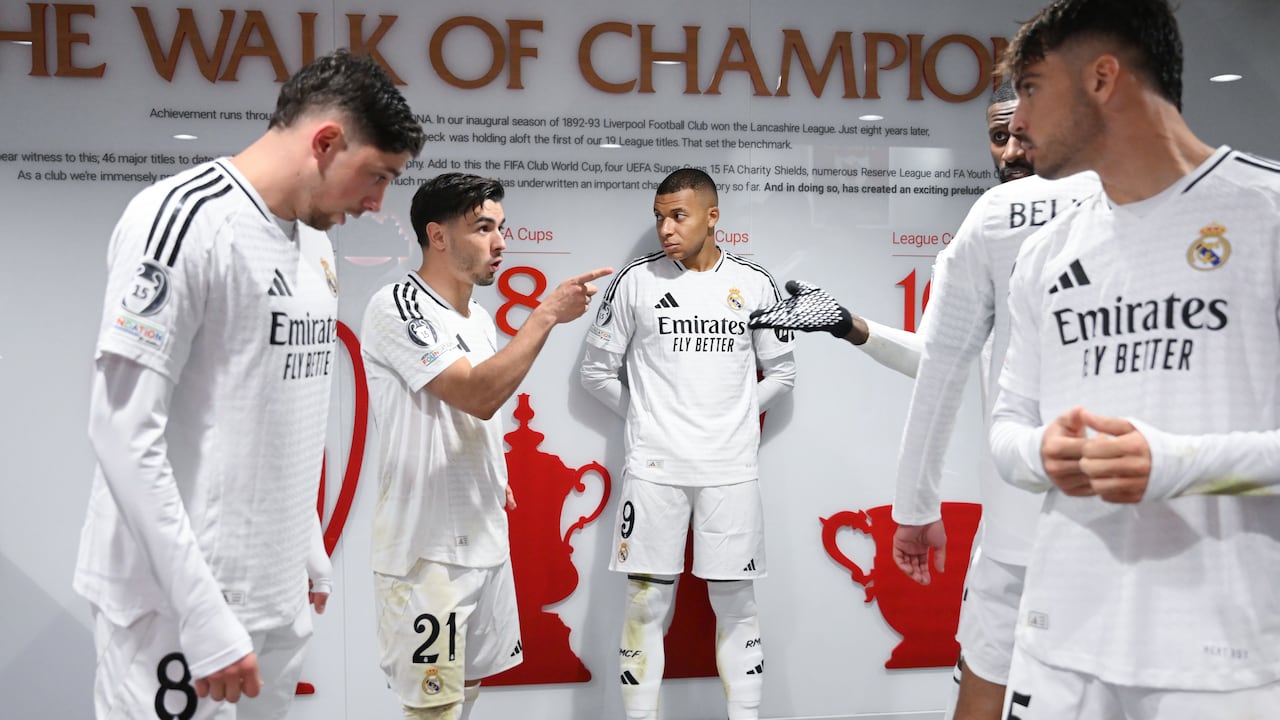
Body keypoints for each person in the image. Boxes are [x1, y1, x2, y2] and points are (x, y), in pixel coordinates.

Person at [74, 49, 424, 719]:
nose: (379, 203)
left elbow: (278, 404)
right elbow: (119, 430)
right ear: (325, 142)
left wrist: (307, 542)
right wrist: (198, 609)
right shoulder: (181, 220)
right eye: (375, 176)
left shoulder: (315, 243)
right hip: (173, 609)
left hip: (273, 595)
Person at [748, 80, 1099, 720]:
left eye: (1026, 131)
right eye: (1000, 136)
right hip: (1011, 522)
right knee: (980, 691)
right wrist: (849, 325)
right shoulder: (983, 234)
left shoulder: (1124, 211)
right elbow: (945, 365)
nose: (1014, 151)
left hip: (1111, 519)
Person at [988, 0, 1280, 717]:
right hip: (1057, 646)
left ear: (1102, 78)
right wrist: (1039, 452)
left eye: (1029, 87)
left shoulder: (1267, 214)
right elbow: (1005, 428)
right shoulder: (1044, 253)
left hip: (1226, 664)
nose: (1015, 120)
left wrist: (1176, 462)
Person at [361, 173, 610, 720]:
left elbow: (473, 411)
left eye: (501, 228)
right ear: (438, 236)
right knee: (434, 709)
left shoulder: (477, 317)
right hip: (424, 550)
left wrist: (491, 471)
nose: (500, 242)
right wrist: (544, 315)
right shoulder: (397, 305)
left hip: (483, 537)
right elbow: (475, 393)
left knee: (466, 693)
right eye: (482, 228)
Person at [580, 167, 796, 720]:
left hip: (730, 470)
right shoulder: (635, 281)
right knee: (646, 602)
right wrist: (649, 418)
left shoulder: (754, 283)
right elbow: (597, 372)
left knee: (736, 604)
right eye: (659, 217)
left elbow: (782, 374)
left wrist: (737, 414)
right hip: (654, 470)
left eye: (678, 215)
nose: (666, 228)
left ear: (712, 217)